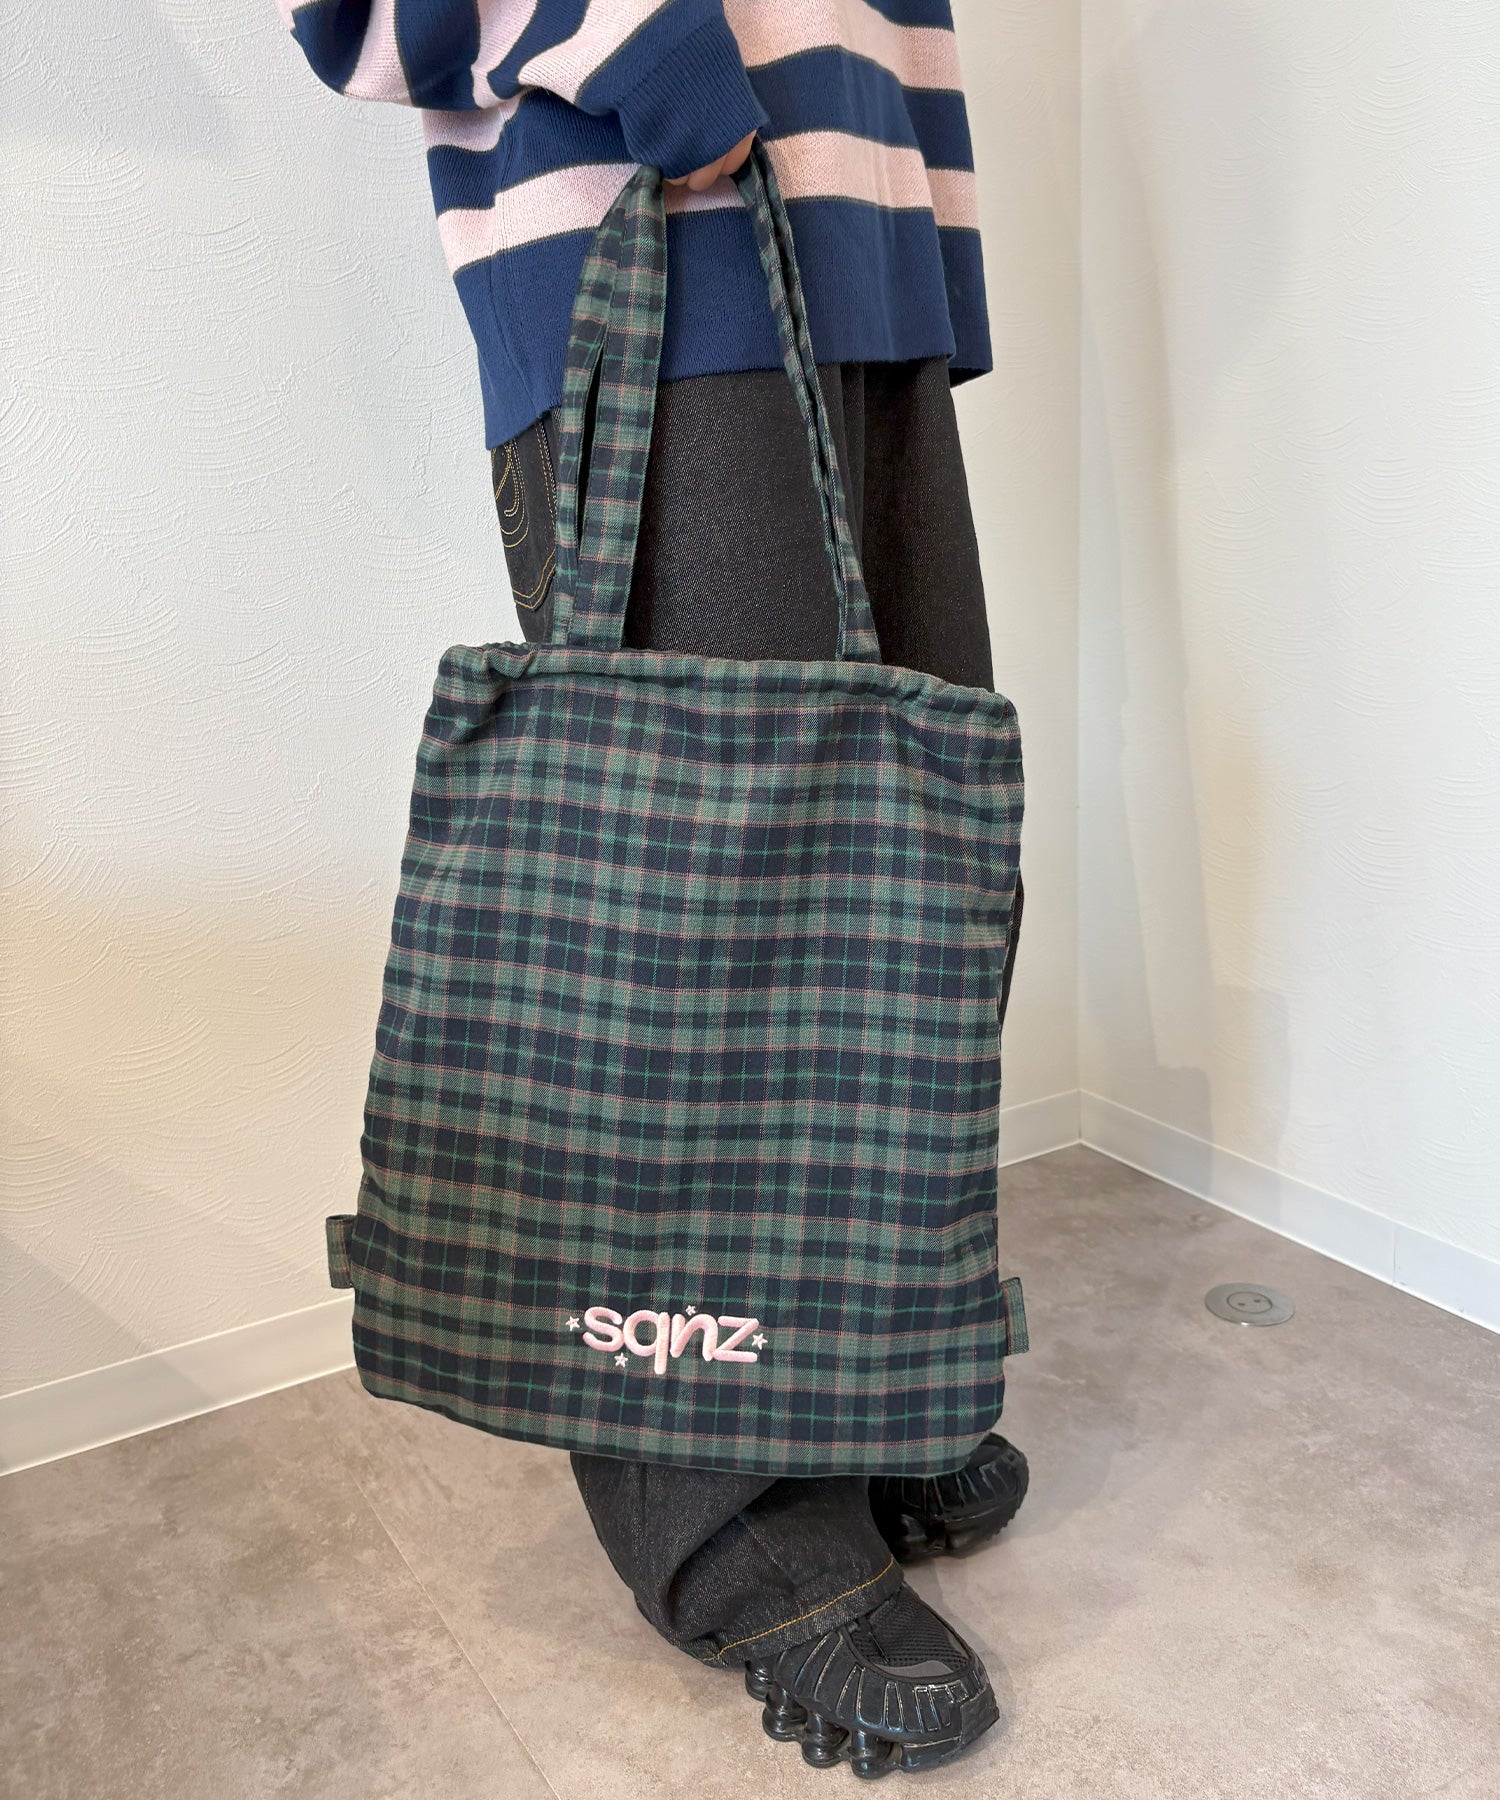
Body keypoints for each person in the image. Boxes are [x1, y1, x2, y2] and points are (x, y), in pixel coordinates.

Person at [278, 0, 1028, 1776]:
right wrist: (651, 50)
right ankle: (736, 1523)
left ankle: (838, 1385)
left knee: (894, 898)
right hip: (657, 200)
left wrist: (914, 247)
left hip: (856, 252)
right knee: (704, 953)